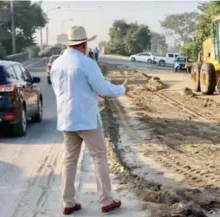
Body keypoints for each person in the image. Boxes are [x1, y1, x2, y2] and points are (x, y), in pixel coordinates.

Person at [50, 25, 128, 215]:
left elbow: (58, 91)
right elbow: (103, 88)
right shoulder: (86, 63)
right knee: (99, 156)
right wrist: (122, 89)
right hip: (86, 119)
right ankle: (106, 200)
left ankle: (68, 202)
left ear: (69, 44)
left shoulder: (57, 64)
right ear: (84, 44)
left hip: (66, 119)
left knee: (69, 160)